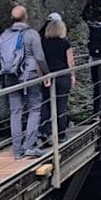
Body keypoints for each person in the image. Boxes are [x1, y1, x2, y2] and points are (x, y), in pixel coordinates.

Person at [0, 5, 51, 158]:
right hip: (30, 76)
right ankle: (30, 145)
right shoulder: (32, 34)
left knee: (15, 112)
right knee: (34, 109)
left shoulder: (4, 35)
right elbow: (39, 57)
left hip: (11, 76)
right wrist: (46, 73)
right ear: (25, 16)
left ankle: (17, 149)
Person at [41, 13, 75, 141]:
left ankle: (46, 132)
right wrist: (72, 75)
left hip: (47, 76)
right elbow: (70, 61)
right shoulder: (65, 43)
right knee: (61, 104)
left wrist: (41, 76)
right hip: (62, 76)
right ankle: (61, 134)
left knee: (46, 104)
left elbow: (40, 61)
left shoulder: (43, 43)